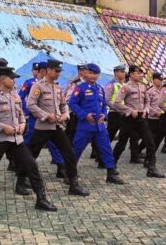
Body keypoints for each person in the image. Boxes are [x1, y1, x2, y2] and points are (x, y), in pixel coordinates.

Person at [0, 66, 57, 212]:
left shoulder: (14, 96)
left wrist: (22, 124)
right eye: (12, 78)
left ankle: (41, 199)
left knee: (31, 165)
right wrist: (2, 127)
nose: (14, 81)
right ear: (3, 79)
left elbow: (21, 114)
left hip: (16, 140)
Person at [24, 59, 89, 196]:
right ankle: (21, 180)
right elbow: (31, 105)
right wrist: (46, 115)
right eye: (56, 71)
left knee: (69, 153)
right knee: (32, 154)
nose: (58, 73)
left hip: (56, 127)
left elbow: (64, 104)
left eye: (60, 71)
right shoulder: (38, 86)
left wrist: (65, 115)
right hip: (42, 127)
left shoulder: (57, 87)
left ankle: (73, 184)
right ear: (48, 70)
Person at [68, 63, 126, 184]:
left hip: (99, 126)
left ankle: (111, 174)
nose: (93, 76)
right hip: (85, 125)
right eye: (90, 73)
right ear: (86, 73)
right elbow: (73, 103)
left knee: (106, 149)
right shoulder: (80, 87)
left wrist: (104, 114)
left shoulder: (100, 88)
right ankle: (70, 175)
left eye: (95, 74)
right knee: (76, 150)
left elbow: (104, 104)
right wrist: (84, 115)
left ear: (98, 75)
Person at [111, 65, 165, 178]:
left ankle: (151, 168)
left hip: (141, 118)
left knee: (150, 141)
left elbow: (147, 101)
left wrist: (146, 109)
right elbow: (117, 102)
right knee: (122, 143)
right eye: (137, 73)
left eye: (141, 73)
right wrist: (130, 110)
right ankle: (112, 165)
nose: (140, 75)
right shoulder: (126, 87)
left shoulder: (143, 86)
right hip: (129, 119)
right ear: (131, 74)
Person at [19, 62, 67, 180]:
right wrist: (28, 112)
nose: (37, 72)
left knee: (55, 145)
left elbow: (61, 103)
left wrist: (62, 115)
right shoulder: (31, 83)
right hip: (35, 119)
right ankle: (23, 169)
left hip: (52, 122)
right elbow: (23, 99)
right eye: (36, 70)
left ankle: (61, 167)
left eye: (39, 70)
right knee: (31, 144)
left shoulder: (55, 85)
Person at [105, 65, 128, 142]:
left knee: (124, 136)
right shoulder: (111, 84)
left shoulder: (124, 85)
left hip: (124, 113)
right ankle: (100, 152)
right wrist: (118, 109)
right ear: (116, 72)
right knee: (109, 135)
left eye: (124, 72)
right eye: (122, 72)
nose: (124, 73)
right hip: (114, 113)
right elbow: (107, 100)